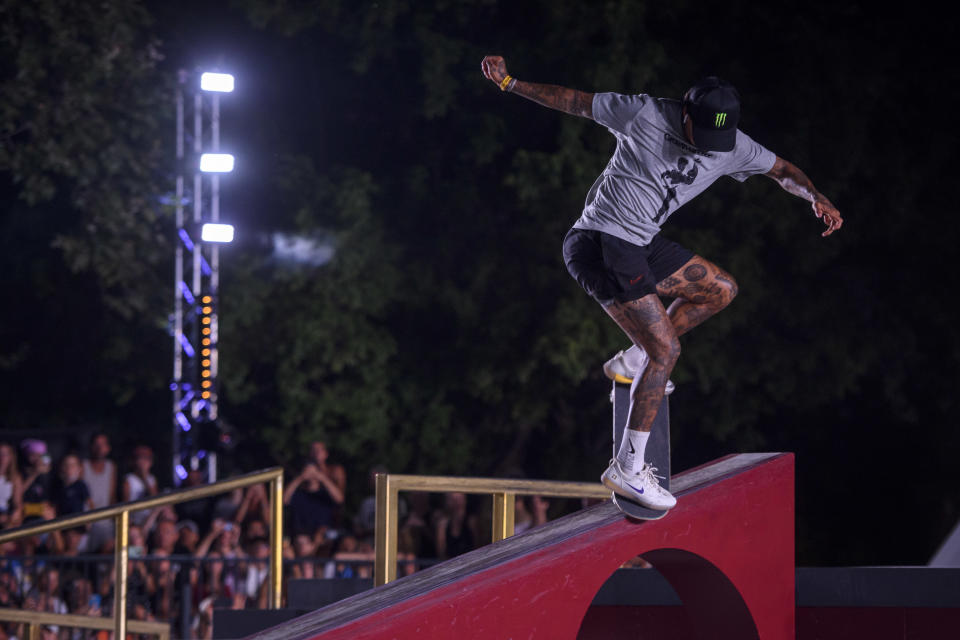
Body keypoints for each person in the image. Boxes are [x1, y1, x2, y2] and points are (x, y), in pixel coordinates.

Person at [481, 56, 843, 510]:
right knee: (667, 351)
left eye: (718, 140)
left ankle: (632, 361)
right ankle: (627, 469)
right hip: (602, 241)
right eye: (700, 135)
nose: (709, 149)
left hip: (642, 243)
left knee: (721, 289)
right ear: (685, 113)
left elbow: (784, 170)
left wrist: (816, 196)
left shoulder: (732, 146)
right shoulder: (643, 113)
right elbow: (574, 101)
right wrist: (511, 83)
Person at [82, 433, 117, 552]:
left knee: (113, 546)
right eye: (96, 444)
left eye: (103, 444)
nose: (99, 448)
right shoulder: (83, 466)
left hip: (106, 520)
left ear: (108, 448)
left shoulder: (111, 467)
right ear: (91, 447)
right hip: (87, 519)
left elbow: (111, 496)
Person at [0, 442, 23, 529]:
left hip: (6, 513)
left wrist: (14, 515)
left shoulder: (15, 478)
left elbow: (17, 503)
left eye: (5, 454)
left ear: (10, 457)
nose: (2, 458)